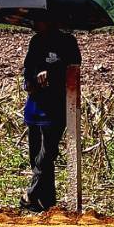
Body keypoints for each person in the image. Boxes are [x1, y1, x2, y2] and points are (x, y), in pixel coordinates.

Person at [21, 18, 81, 211]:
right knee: (35, 154)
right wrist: (29, 81)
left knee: (47, 154)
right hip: (35, 105)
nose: (35, 24)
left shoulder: (68, 42)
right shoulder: (36, 42)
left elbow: (73, 68)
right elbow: (28, 68)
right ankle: (45, 203)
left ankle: (31, 193)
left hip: (56, 106)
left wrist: (51, 73)